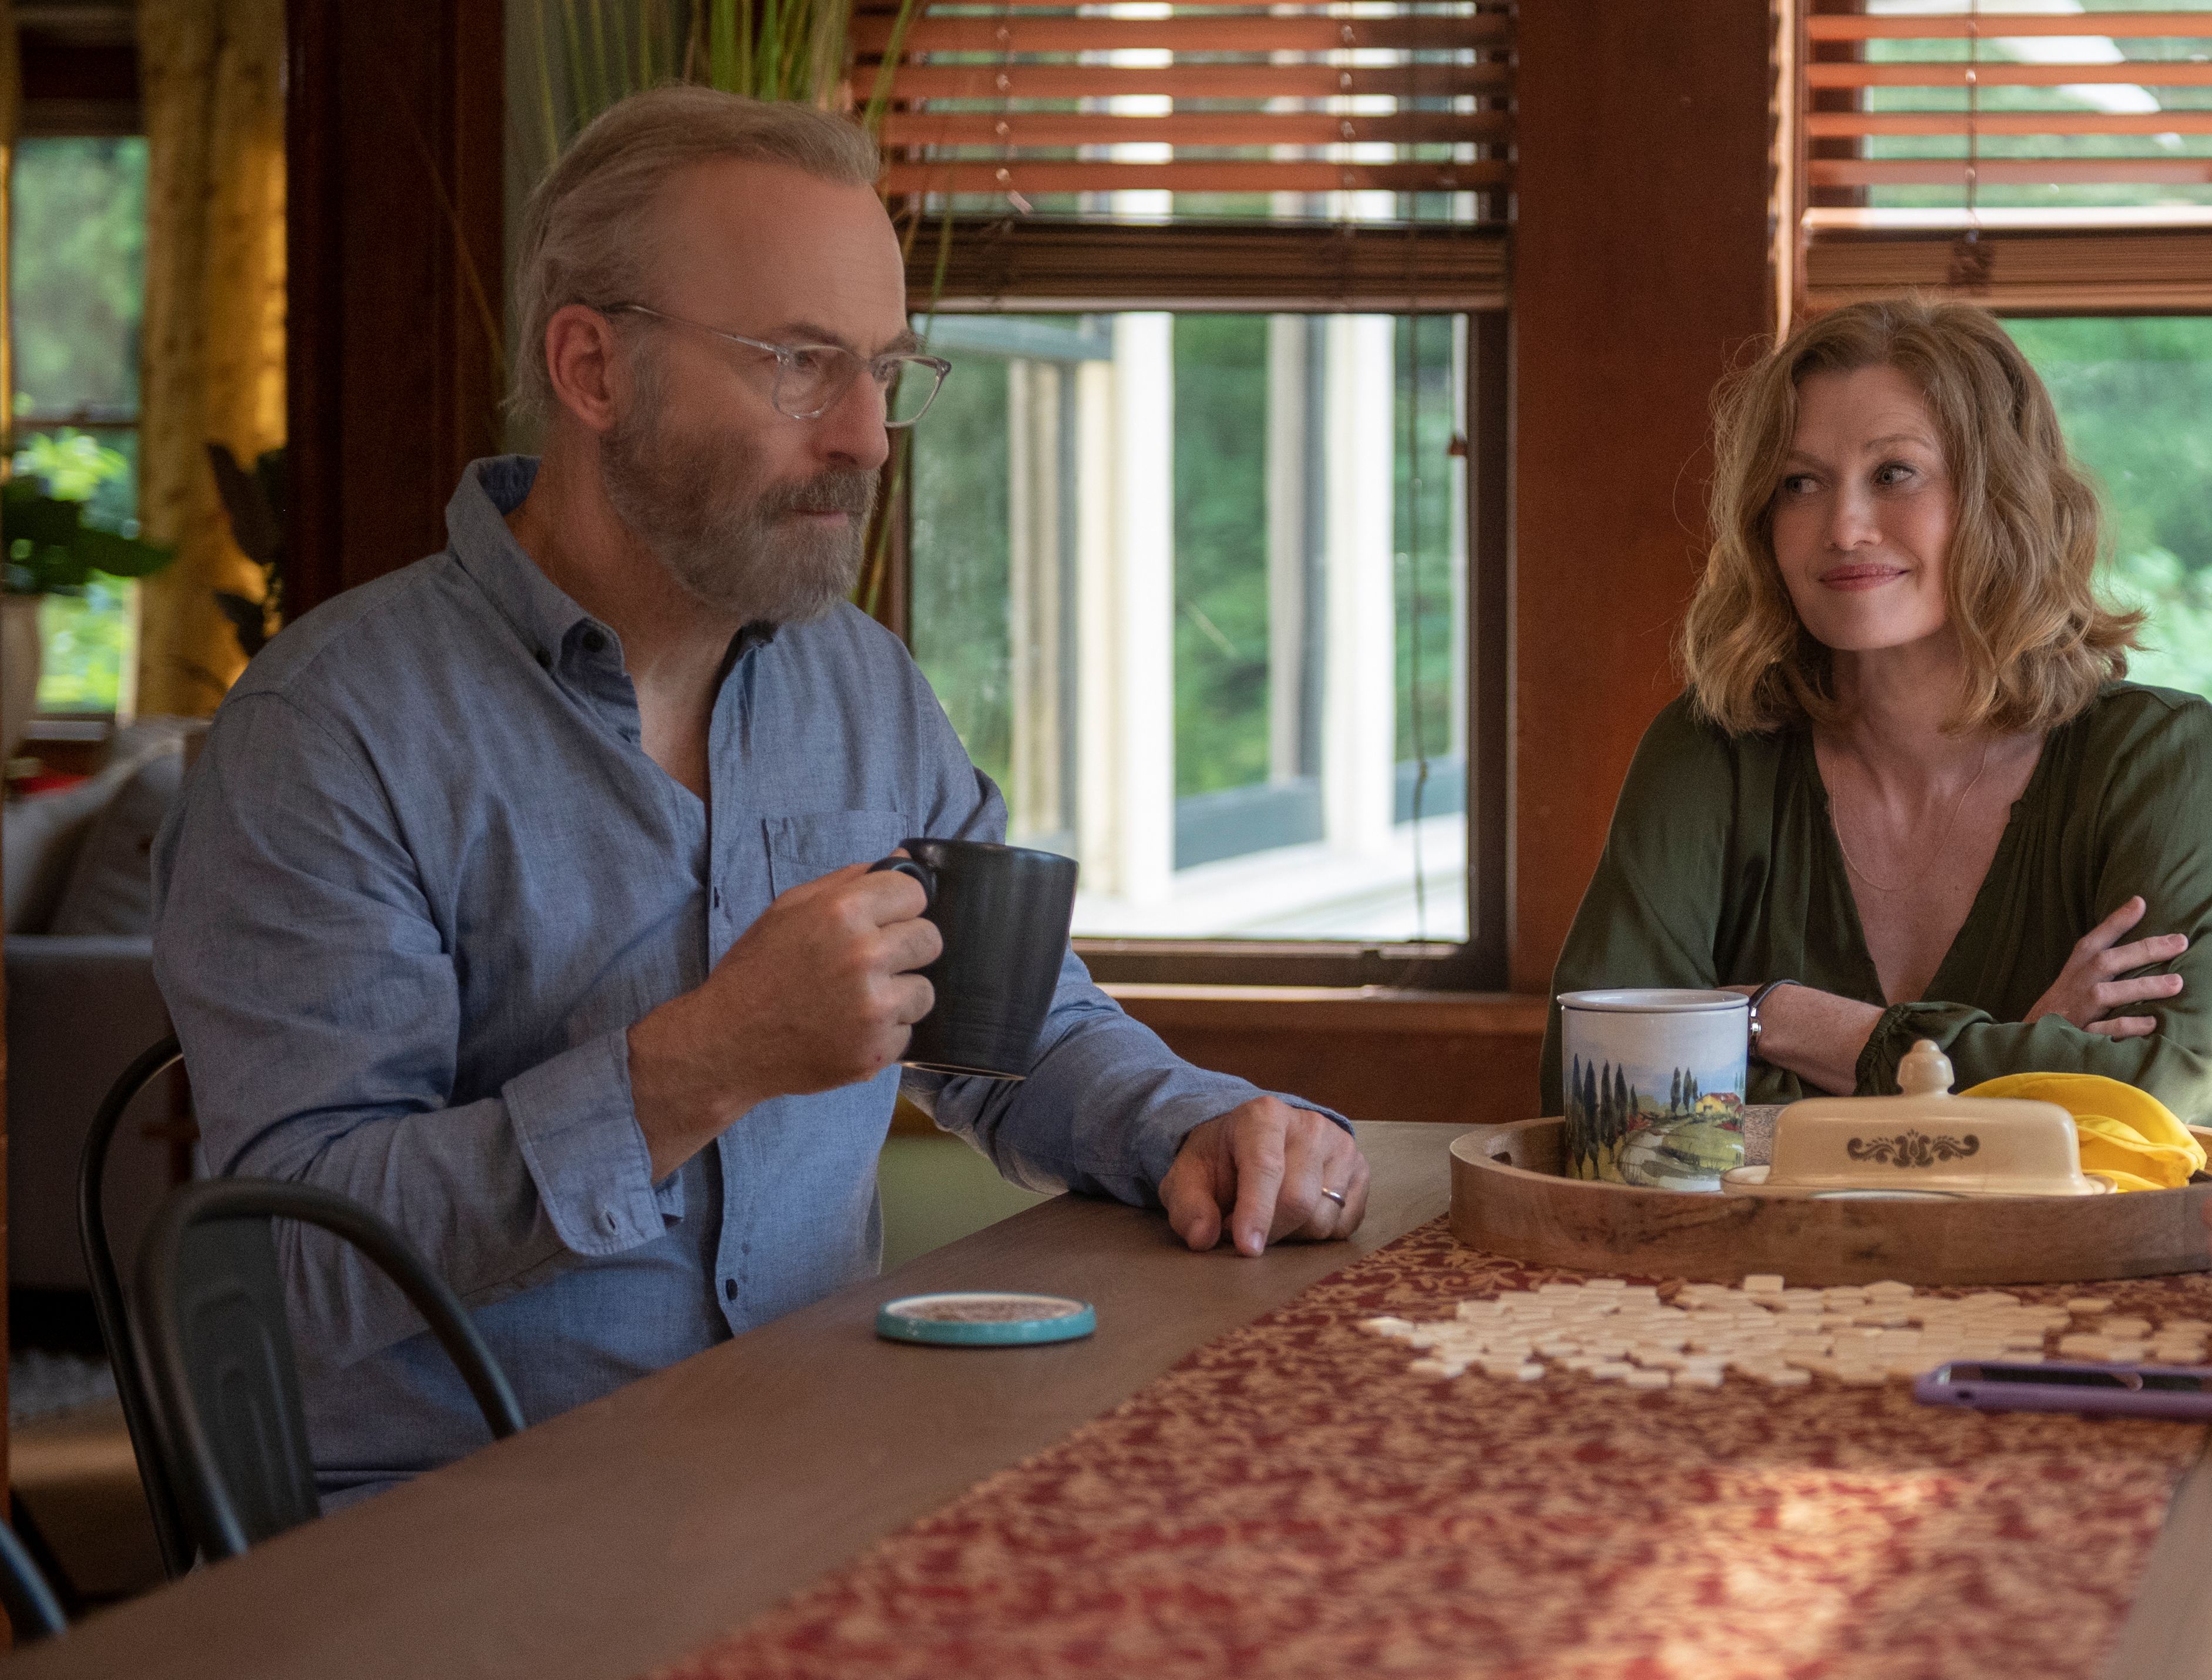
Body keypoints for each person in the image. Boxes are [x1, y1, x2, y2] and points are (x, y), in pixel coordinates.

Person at [149, 88, 1369, 1502]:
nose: (867, 438)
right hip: (444, 1539)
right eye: (800, 364)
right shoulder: (328, 735)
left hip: (814, 1472)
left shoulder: (862, 685)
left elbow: (1010, 1026)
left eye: (884, 371)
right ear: (594, 370)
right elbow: (289, 1266)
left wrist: (1195, 1124)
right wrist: (703, 1061)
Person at [1547, 298, 2212, 1125]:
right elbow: (1603, 1086)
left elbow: (2151, 1100)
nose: (1841, 527)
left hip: (2076, 1258)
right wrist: (2023, 1052)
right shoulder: (1710, 751)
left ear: (2002, 496)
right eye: (1800, 483)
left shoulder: (2161, 757)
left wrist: (1783, 1020)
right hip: (1760, 1259)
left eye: (1894, 474)